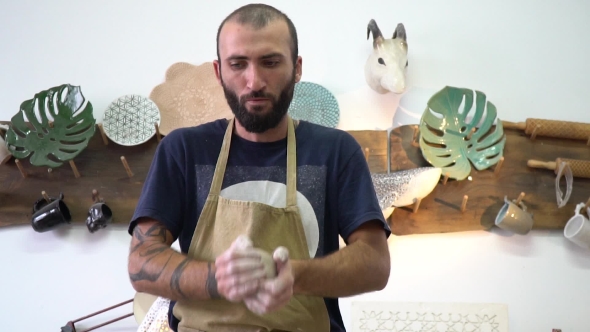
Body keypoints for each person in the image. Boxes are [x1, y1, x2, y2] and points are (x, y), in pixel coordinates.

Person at [127, 3, 391, 331]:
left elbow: (376, 264)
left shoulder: (335, 151)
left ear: (296, 68)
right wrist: (218, 279)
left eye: (270, 62)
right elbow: (140, 261)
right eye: (238, 64)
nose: (254, 82)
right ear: (218, 71)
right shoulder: (183, 150)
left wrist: (294, 276)